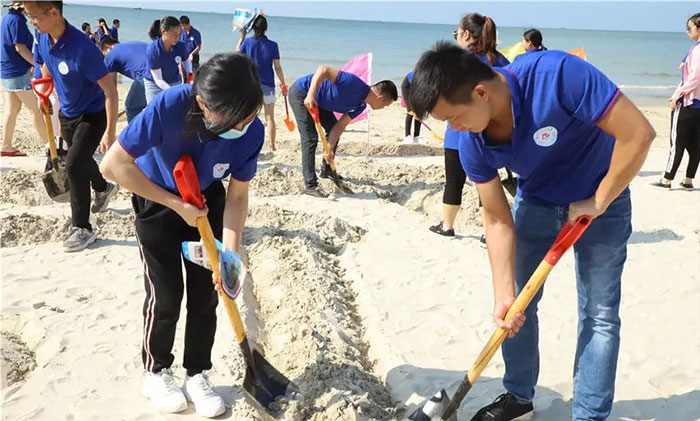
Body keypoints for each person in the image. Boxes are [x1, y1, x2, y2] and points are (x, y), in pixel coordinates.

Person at [410, 42, 655, 421]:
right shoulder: (472, 141)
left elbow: (638, 134)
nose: (453, 130)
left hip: (603, 200)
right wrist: (503, 294)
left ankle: (589, 415)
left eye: (453, 118)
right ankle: (518, 398)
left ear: (481, 93)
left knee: (599, 313)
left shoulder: (557, 75)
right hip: (537, 201)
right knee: (516, 309)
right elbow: (496, 218)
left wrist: (599, 200)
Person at [100, 53, 264, 418]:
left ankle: (197, 374)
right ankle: (156, 372)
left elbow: (238, 195)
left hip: (206, 202)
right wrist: (175, 205)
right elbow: (113, 165)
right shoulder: (170, 106)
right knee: (166, 294)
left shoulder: (251, 132)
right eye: (235, 118)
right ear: (204, 104)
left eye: (250, 115)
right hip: (155, 196)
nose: (244, 124)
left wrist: (229, 255)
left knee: (206, 294)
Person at [25, 0, 120, 252]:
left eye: (34, 16)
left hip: (92, 114)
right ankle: (103, 188)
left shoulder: (84, 48)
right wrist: (45, 95)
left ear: (53, 12)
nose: (32, 21)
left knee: (74, 164)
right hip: (67, 113)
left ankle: (82, 228)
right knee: (79, 158)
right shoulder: (43, 36)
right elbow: (46, 65)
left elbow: (110, 90)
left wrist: (110, 132)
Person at [430, 13, 509, 239]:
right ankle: (488, 232)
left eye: (456, 33)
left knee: (454, 181)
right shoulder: (499, 60)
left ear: (465, 34)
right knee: (488, 183)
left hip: (458, 133)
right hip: (491, 133)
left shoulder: (458, 60)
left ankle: (447, 226)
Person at [289, 65, 397, 197]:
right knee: (310, 138)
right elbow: (323, 70)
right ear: (379, 98)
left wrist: (329, 148)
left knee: (332, 127)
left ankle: (327, 170)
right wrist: (311, 95)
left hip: (320, 102)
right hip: (302, 93)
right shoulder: (353, 83)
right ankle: (310, 185)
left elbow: (339, 126)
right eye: (385, 105)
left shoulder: (360, 106)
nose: (383, 108)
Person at [652, 13, 700, 190]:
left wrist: (678, 95)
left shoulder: (697, 50)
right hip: (698, 106)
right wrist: (685, 61)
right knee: (695, 144)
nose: (687, 31)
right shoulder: (694, 50)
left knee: (677, 143)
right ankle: (688, 180)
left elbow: (694, 77)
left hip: (688, 102)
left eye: (690, 28)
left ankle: (667, 179)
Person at [1, 1, 48, 157]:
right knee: (35, 109)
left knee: (13, 109)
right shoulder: (17, 21)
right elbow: (20, 48)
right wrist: (38, 64)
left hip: (7, 70)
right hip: (17, 71)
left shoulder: (7, 18)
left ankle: (6, 146)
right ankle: (50, 146)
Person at [237, 14, 287, 152]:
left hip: (251, 85)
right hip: (268, 85)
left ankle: (249, 144)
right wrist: (283, 83)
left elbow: (237, 54)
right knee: (270, 117)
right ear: (266, 28)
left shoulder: (247, 42)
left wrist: (242, 36)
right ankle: (272, 146)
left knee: (250, 117)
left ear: (253, 28)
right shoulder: (273, 45)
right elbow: (277, 67)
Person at [100, 37, 148, 126]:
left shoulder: (110, 55)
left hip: (146, 76)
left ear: (107, 48)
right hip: (169, 73)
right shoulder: (135, 43)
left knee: (131, 107)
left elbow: (111, 89)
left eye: (104, 55)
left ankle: (136, 133)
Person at [144, 16, 190, 104]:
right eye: (174, 34)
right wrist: (172, 92)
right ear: (164, 31)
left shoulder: (180, 46)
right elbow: (158, 79)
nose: (177, 38)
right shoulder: (153, 49)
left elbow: (186, 60)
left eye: (179, 35)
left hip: (174, 81)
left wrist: (189, 74)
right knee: (155, 108)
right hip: (154, 84)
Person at [400, 71, 423, 144]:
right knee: (411, 111)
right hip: (407, 87)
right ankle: (407, 136)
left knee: (420, 111)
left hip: (417, 88)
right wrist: (414, 110)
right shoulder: (419, 76)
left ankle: (416, 136)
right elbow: (416, 90)